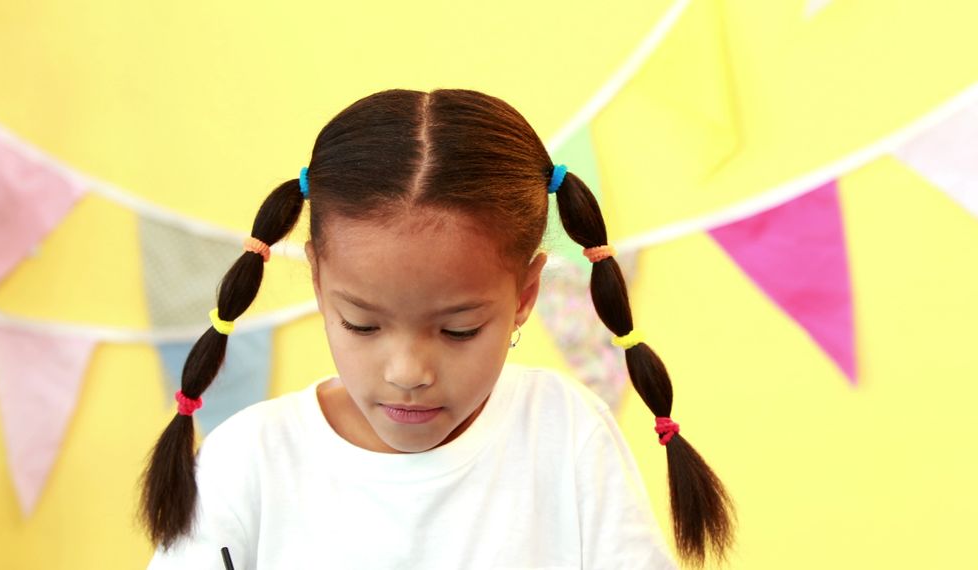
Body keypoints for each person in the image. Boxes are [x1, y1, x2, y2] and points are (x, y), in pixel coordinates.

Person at [142, 89, 734, 569]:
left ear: (526, 294)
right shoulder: (248, 461)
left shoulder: (565, 434)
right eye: (362, 324)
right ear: (319, 282)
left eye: (459, 331)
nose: (408, 373)